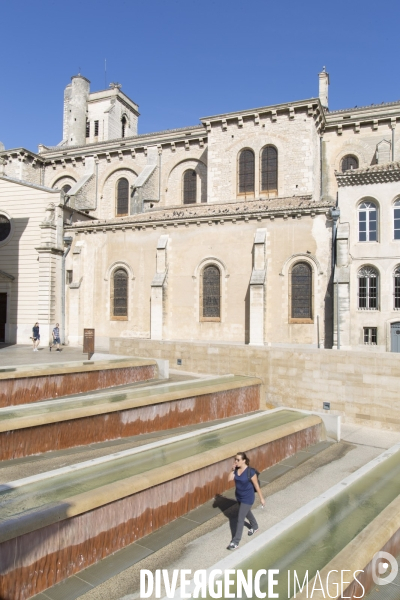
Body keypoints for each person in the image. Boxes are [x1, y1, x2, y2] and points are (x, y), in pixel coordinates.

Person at [227, 452, 265, 550]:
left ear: (244, 461)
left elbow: (256, 486)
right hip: (239, 497)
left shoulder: (250, 472)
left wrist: (261, 498)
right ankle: (255, 526)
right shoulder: (236, 470)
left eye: (238, 460)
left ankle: (235, 542)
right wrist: (232, 469)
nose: (236, 461)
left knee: (240, 519)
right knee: (247, 512)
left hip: (248, 498)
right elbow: (229, 479)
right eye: (235, 459)